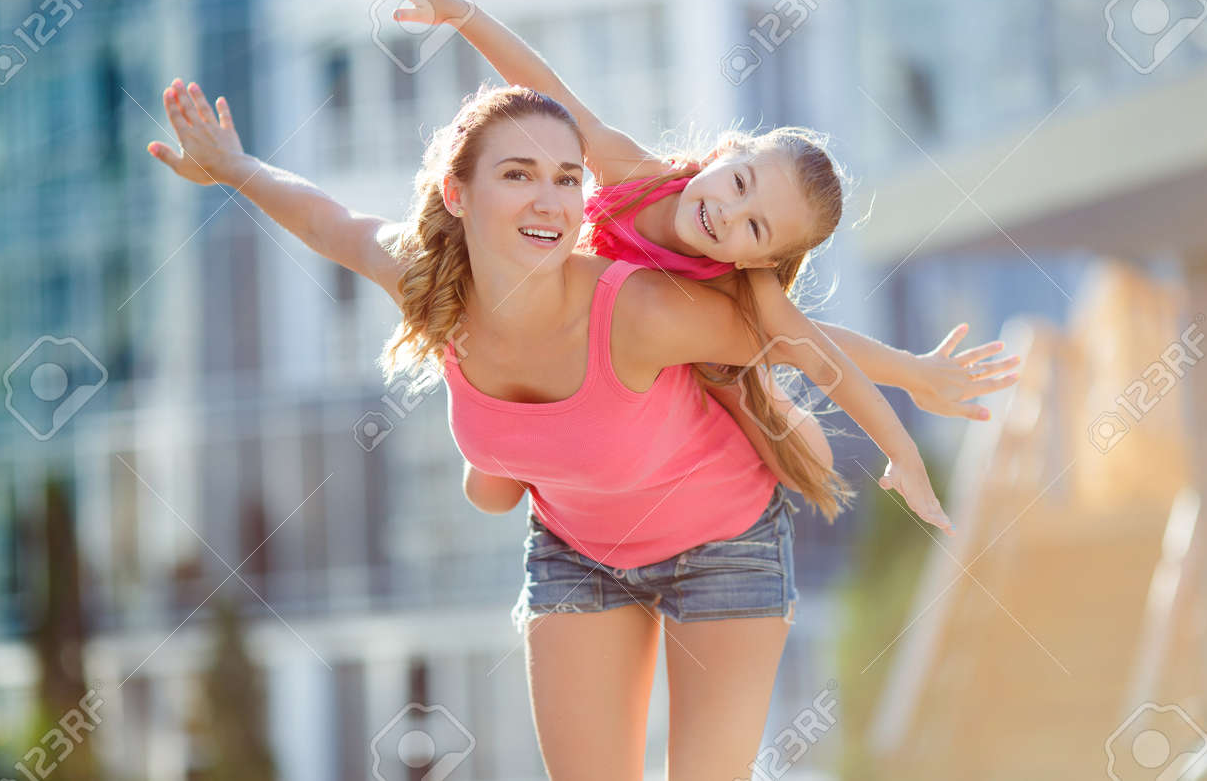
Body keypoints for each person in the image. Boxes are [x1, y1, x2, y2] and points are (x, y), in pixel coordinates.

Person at [146, 76, 998, 779]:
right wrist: (236, 166)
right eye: (517, 173)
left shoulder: (640, 309)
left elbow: (809, 348)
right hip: (578, 549)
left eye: (565, 176)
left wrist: (915, 388)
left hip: (725, 540)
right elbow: (332, 224)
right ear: (458, 191)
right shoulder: (426, 283)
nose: (551, 196)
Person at [377, 0, 1020, 522]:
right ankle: (510, 444)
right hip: (572, 348)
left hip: (682, 372)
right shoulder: (636, 177)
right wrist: (460, 13)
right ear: (724, 152)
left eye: (754, 229)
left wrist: (904, 436)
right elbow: (549, 93)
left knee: (795, 431)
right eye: (738, 184)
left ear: (763, 258)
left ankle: (763, 433)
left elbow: (825, 355)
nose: (728, 214)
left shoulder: (750, 289)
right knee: (488, 491)